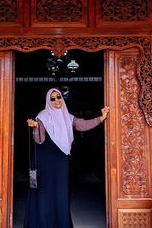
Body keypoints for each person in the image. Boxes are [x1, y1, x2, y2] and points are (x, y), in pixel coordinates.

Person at [24, 88, 109, 228]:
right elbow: (39, 140)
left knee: (61, 191)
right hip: (44, 160)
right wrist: (35, 126)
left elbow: (81, 124)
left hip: (61, 159)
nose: (57, 100)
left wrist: (101, 118)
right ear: (48, 101)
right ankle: (43, 223)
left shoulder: (67, 116)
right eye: (53, 99)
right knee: (45, 191)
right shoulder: (43, 116)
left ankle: (60, 223)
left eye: (58, 97)